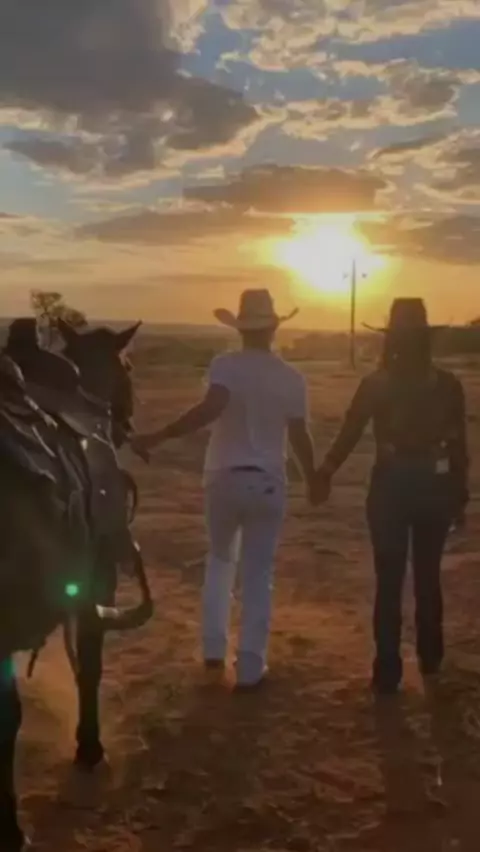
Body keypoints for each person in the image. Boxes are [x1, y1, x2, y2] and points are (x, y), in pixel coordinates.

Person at [132, 289, 316, 688]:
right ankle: (250, 664)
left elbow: (209, 410)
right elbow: (300, 436)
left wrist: (159, 436)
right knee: (258, 572)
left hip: (223, 478)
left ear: (240, 328)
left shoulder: (225, 366)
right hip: (268, 482)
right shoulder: (291, 377)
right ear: (273, 328)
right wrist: (314, 476)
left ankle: (213, 649)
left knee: (219, 561)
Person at [315, 298, 469, 695]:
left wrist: (326, 470)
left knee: (389, 579)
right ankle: (431, 659)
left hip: (390, 484)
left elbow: (350, 432)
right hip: (434, 483)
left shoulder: (376, 383)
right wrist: (460, 494)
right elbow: (459, 445)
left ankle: (387, 668)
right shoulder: (447, 384)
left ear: (391, 338)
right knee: (428, 575)